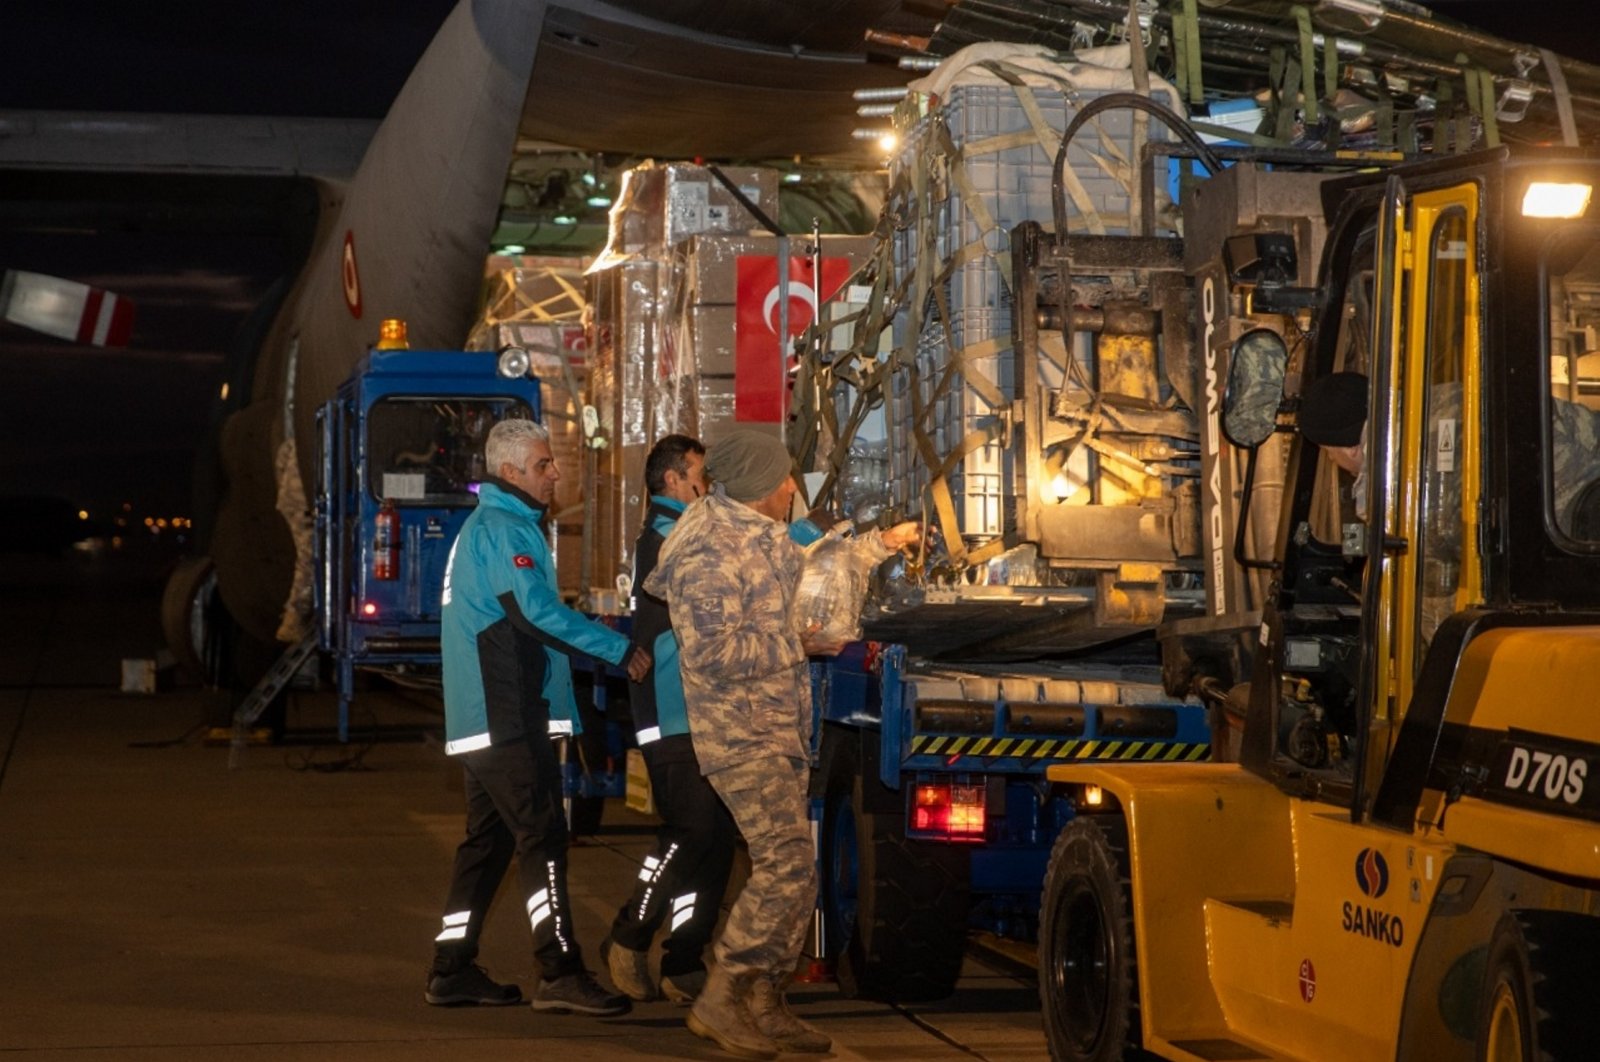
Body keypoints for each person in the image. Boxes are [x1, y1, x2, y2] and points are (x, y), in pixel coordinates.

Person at [645, 428, 918, 1059]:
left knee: (794, 871)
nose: (792, 488)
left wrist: (878, 545)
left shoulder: (748, 528)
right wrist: (802, 645)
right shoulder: (707, 551)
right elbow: (711, 654)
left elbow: (813, 562)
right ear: (754, 486)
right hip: (741, 730)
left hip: (773, 725)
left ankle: (764, 1000)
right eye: (783, 479)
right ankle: (724, 995)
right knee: (787, 864)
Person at [425, 418, 649, 1016]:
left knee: (488, 843)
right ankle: (559, 971)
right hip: (503, 717)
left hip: (489, 715)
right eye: (544, 465)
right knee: (543, 837)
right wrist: (619, 649)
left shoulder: (501, 527)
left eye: (552, 463)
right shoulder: (503, 530)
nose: (556, 473)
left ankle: (451, 969)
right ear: (510, 473)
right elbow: (538, 616)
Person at [601, 433, 737, 1005]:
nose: (710, 485)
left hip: (705, 710)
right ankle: (630, 933)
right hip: (671, 710)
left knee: (718, 840)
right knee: (690, 832)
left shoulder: (689, 529)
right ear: (674, 481)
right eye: (701, 475)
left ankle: (684, 959)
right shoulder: (666, 538)